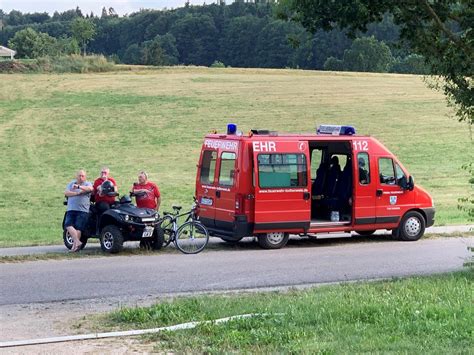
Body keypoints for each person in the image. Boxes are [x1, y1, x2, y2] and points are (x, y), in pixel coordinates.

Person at [64, 170, 93, 252]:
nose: (81, 177)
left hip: (82, 210)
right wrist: (77, 193)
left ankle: (74, 248)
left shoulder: (88, 184)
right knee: (68, 224)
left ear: (85, 177)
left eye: (83, 176)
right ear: (76, 176)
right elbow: (66, 193)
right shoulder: (71, 183)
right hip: (71, 208)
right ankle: (77, 241)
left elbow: (90, 189)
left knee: (78, 228)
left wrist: (78, 187)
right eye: (79, 175)